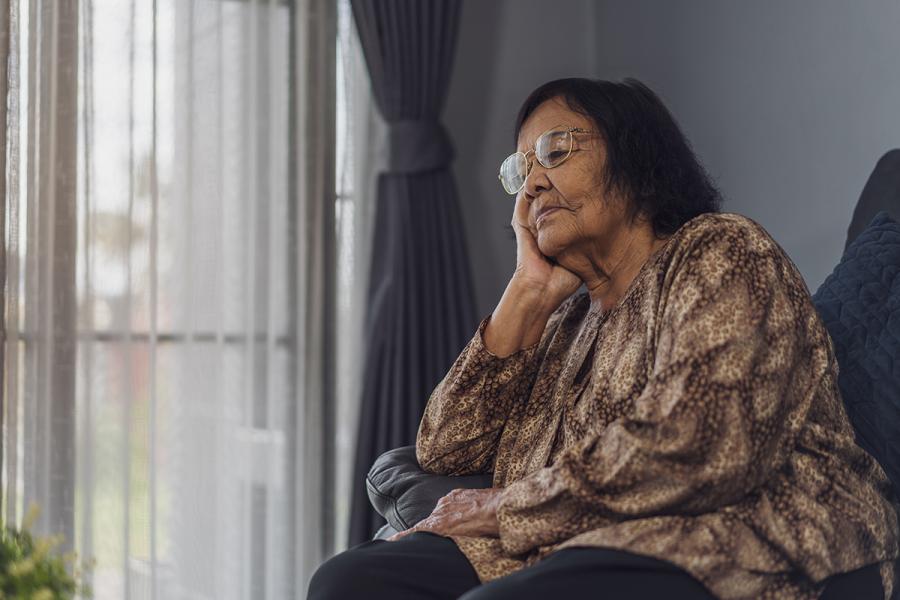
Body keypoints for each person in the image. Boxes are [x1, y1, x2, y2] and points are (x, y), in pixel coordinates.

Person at [308, 78, 899, 599]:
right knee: (347, 583)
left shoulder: (721, 250)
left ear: (636, 159)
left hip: (760, 542)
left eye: (554, 151)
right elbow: (444, 450)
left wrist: (503, 505)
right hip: (574, 543)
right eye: (519, 171)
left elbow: (701, 443)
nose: (532, 184)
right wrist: (527, 292)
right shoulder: (565, 321)